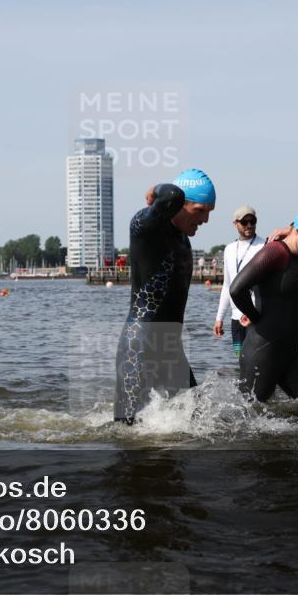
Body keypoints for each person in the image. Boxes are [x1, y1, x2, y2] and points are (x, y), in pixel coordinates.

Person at [114, 169, 216, 424]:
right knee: (124, 429)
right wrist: (157, 189)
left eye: (209, 212)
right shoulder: (146, 227)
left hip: (171, 346)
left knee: (198, 421)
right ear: (179, 205)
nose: (205, 220)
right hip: (141, 344)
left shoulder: (182, 238)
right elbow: (170, 193)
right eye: (200, 210)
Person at [229, 204, 298, 403]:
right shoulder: (275, 252)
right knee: (247, 420)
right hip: (263, 353)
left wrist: (290, 227)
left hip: (289, 353)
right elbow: (237, 289)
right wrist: (255, 317)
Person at [214, 205, 267, 359]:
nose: (249, 225)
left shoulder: (264, 245)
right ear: (235, 223)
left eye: (253, 221)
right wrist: (219, 318)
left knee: (258, 361)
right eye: (245, 222)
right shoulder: (229, 249)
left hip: (256, 315)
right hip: (236, 318)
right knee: (241, 361)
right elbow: (227, 286)